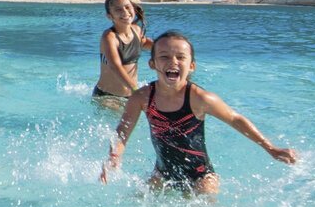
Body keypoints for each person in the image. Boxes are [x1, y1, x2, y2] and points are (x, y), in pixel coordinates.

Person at [100, 31, 298, 195]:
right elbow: (122, 132)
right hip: (162, 172)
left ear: (191, 66)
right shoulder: (142, 98)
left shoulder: (199, 98)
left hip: (202, 176)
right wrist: (115, 155)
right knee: (136, 204)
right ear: (152, 64)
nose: (173, 62)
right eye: (164, 57)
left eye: (180, 57)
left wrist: (271, 149)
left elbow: (236, 119)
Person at [93, 0, 153, 105]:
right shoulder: (109, 37)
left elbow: (145, 43)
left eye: (127, 7)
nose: (125, 12)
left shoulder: (136, 30)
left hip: (130, 96)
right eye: (118, 10)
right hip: (107, 97)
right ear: (110, 16)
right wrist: (135, 89)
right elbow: (114, 66)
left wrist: (168, 49)